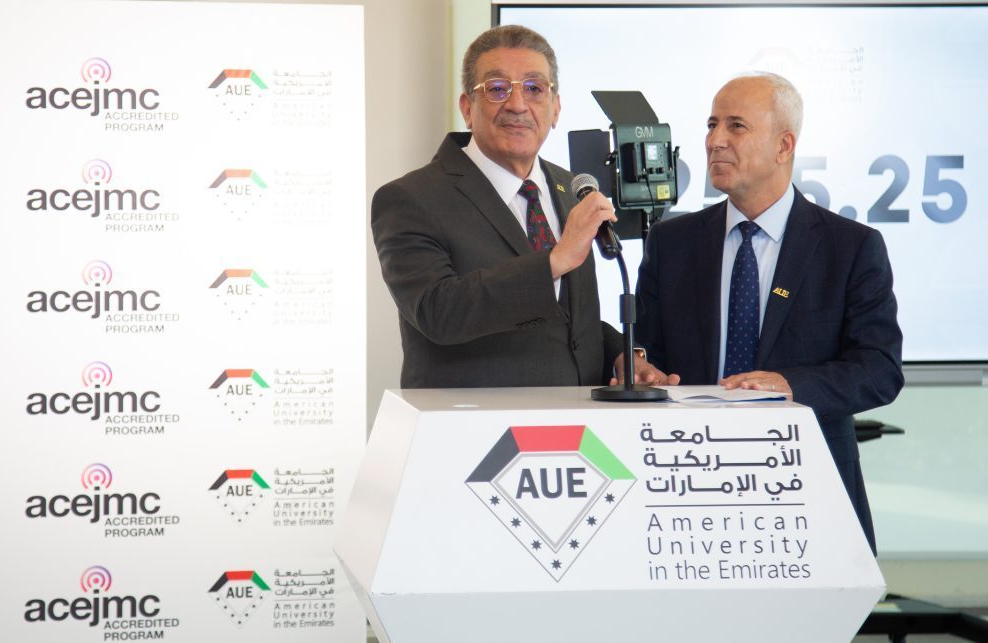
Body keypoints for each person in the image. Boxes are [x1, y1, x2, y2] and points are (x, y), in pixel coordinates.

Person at [635, 72, 903, 551]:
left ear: (784, 146)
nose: (715, 140)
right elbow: (647, 351)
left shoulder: (851, 247)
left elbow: (880, 370)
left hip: (809, 491)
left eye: (736, 126)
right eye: (712, 124)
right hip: (687, 491)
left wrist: (791, 386)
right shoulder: (671, 242)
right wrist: (638, 365)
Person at [373, 25, 652, 389]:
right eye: (497, 89)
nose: (518, 105)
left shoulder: (572, 189)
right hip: (472, 420)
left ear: (556, 108)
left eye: (534, 89)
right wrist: (553, 261)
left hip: (578, 419)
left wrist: (620, 353)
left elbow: (566, 316)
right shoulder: (410, 198)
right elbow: (437, 311)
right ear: (467, 108)